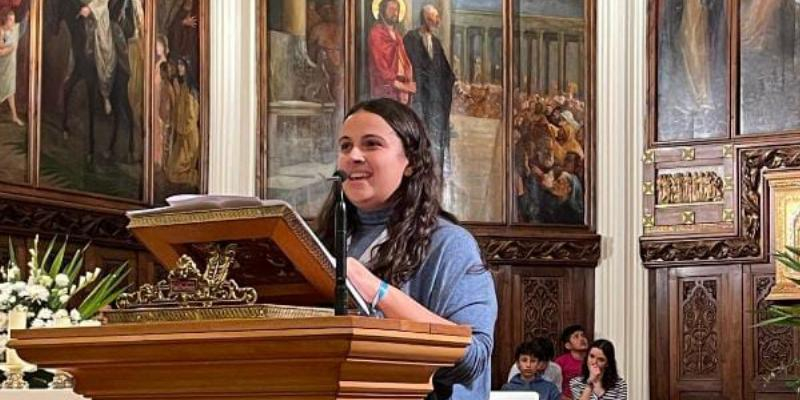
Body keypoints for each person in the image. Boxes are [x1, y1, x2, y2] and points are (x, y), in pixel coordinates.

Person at [315, 98, 496, 399]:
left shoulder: (450, 244)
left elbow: (473, 359)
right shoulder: (322, 241)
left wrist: (378, 292)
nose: (353, 156)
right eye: (345, 146)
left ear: (410, 162)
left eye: (371, 144)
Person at [403, 4, 455, 176]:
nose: (437, 21)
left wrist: (451, 82)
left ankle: (435, 171)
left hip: (435, 98)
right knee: (419, 133)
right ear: (425, 18)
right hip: (418, 96)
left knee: (435, 135)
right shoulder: (411, 38)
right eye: (434, 17)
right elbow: (408, 65)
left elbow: (445, 70)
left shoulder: (436, 43)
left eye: (438, 17)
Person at [368, 0, 415, 104]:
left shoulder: (397, 36)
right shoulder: (376, 34)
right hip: (385, 90)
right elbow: (381, 69)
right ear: (382, 10)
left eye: (397, 10)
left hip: (400, 89)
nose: (395, 13)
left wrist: (407, 79)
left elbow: (404, 62)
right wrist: (404, 86)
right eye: (391, 9)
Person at [79, 0, 116, 115]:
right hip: (84, 10)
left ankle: (105, 94)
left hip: (100, 15)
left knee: (105, 49)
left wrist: (90, 8)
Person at [0, 7, 27, 126]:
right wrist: (10, 48)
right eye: (10, 20)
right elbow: (0, 52)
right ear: (5, 20)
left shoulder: (14, 29)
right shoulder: (1, 31)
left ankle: (14, 116)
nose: (13, 22)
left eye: (13, 19)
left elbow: (23, 25)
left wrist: (28, 14)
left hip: (10, 67)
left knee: (11, 91)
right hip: (2, 67)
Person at [554, 325, 588, 397]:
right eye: (576, 336)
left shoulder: (593, 360)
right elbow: (554, 389)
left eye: (583, 335)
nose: (582, 339)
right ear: (568, 345)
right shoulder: (560, 362)